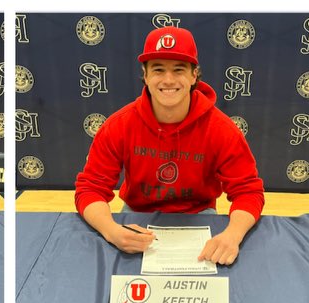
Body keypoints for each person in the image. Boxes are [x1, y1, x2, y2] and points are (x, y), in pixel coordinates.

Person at [74, 26, 264, 265]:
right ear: (145, 75)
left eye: (179, 69)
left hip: (199, 215)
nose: (168, 80)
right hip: (136, 212)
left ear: (194, 75)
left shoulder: (221, 129)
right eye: (158, 69)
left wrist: (232, 235)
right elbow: (90, 188)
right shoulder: (119, 125)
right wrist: (111, 230)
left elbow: (248, 191)